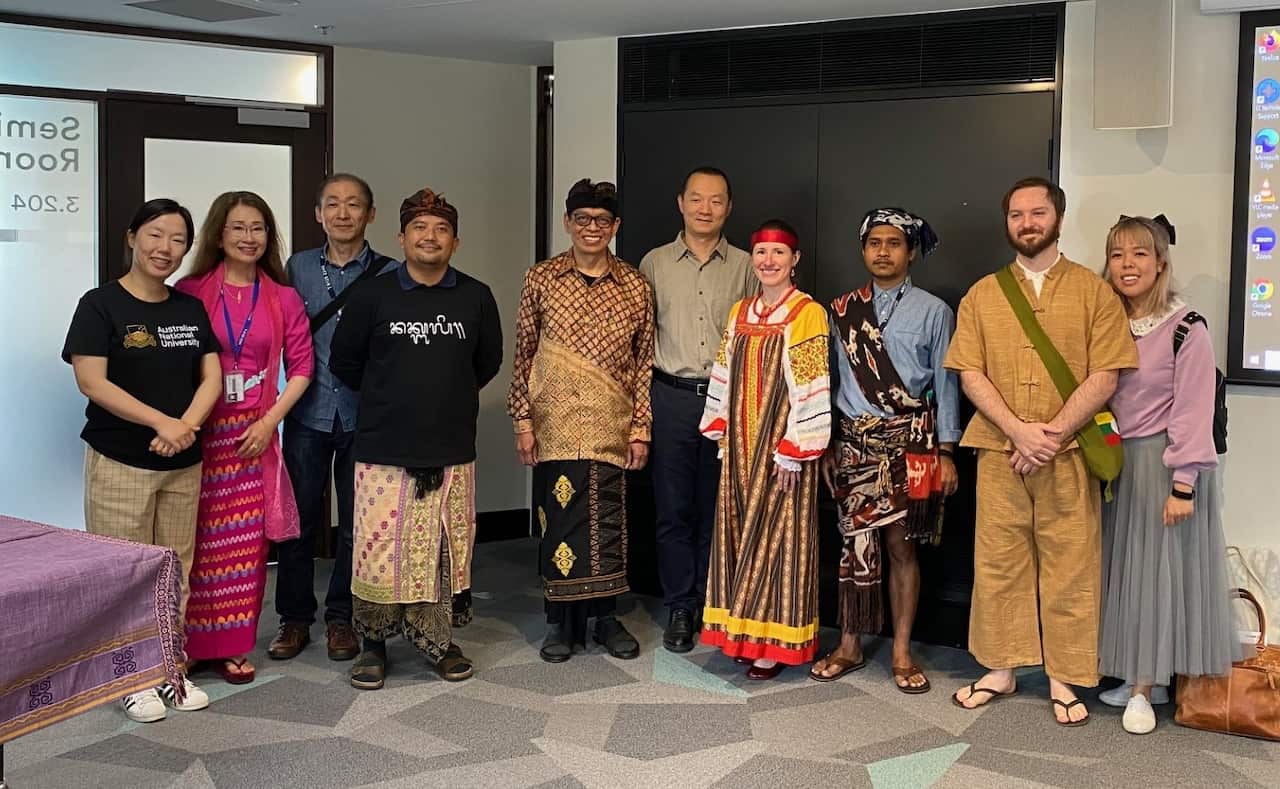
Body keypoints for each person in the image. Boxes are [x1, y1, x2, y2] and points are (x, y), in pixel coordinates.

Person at [944, 177, 1137, 726]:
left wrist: (1048, 433)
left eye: (1037, 213)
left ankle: (1064, 676)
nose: (1027, 223)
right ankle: (1001, 669)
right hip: (1000, 451)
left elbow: (1107, 374)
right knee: (998, 562)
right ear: (1007, 223)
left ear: (1058, 217)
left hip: (1070, 453)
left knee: (1071, 564)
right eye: (1016, 215)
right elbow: (970, 373)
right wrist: (1018, 432)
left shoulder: (1093, 292)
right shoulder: (982, 294)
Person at [330, 187, 502, 689]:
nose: (430, 238)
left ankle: (439, 641)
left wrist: (440, 396)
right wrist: (395, 397)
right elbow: (345, 362)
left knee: (442, 550)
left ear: (456, 241)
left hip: (449, 447)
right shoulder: (372, 295)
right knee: (377, 551)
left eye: (441, 229)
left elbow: (485, 362)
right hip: (383, 447)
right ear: (401, 237)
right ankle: (374, 645)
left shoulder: (475, 295)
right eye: (420, 229)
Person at [63, 198, 220, 722]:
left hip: (182, 459)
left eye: (178, 240)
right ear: (132, 237)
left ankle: (167, 666)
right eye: (155, 235)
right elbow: (91, 380)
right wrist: (161, 423)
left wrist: (185, 428)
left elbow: (212, 378)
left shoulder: (188, 308)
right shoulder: (99, 305)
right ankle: (129, 678)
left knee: (175, 568)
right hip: (121, 458)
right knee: (123, 572)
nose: (166, 248)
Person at [1095, 215, 1238, 734]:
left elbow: (1194, 409)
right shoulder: (1107, 319)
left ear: (1160, 262)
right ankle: (1140, 676)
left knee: (1157, 574)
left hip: (1164, 464)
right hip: (1118, 463)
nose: (1127, 265)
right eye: (1117, 254)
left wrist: (1184, 484)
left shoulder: (1186, 327)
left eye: (1139, 254)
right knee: (1126, 572)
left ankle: (1144, 689)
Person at [508, 178, 654, 663]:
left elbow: (644, 363)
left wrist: (640, 428)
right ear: (568, 223)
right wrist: (522, 421)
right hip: (554, 423)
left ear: (616, 226)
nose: (592, 228)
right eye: (583, 219)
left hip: (611, 423)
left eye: (602, 221)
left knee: (607, 524)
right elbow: (524, 352)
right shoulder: (541, 278)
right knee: (560, 522)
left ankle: (605, 618)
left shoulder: (634, 284)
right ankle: (561, 622)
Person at [815, 208, 960, 692]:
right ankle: (850, 644)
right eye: (874, 242)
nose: (883, 251)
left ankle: (900, 650)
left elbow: (945, 383)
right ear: (863, 250)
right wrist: (827, 442)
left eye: (893, 243)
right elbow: (829, 382)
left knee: (902, 548)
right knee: (852, 546)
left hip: (913, 447)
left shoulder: (935, 311)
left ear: (911, 251)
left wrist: (946, 451)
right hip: (853, 443)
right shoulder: (839, 310)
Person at [176, 191, 314, 685]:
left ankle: (234, 645)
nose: (248, 238)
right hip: (201, 433)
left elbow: (302, 367)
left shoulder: (283, 296)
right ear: (219, 233)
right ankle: (189, 645)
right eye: (238, 228)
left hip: (254, 435)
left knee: (245, 549)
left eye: (257, 228)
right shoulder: (190, 291)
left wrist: (268, 421)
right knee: (195, 545)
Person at [269, 173, 396, 664]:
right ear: (317, 213)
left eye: (354, 205)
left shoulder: (388, 273)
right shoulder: (295, 268)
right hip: (306, 412)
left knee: (357, 525)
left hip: (365, 416)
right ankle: (294, 618)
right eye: (333, 205)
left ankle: (342, 618)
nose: (343, 213)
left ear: (371, 214)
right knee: (296, 520)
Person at [699, 219, 831, 680]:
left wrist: (798, 445)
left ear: (795, 260)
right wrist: (719, 424)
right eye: (761, 253)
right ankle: (741, 630)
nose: (769, 261)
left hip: (780, 444)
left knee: (778, 540)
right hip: (740, 444)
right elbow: (723, 369)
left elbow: (813, 380)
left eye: (778, 253)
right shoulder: (741, 312)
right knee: (739, 531)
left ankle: (773, 642)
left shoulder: (806, 312)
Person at [639, 166, 756, 653]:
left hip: (729, 398)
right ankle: (680, 605)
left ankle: (715, 601)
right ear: (680, 203)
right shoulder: (653, 264)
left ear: (728, 207)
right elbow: (640, 339)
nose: (705, 209)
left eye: (716, 201)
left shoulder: (750, 265)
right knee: (673, 509)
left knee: (721, 506)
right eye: (696, 199)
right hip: (671, 396)